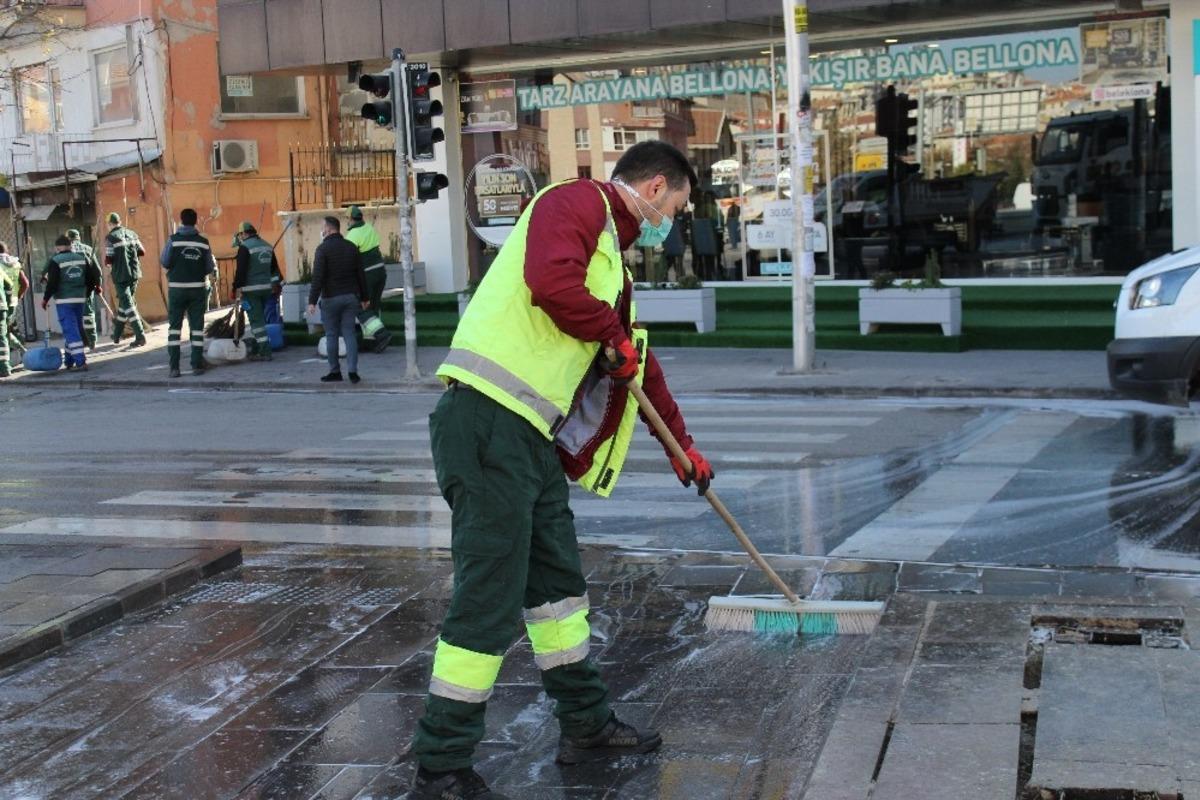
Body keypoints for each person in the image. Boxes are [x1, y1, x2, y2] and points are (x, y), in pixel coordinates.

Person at [409, 140, 715, 800]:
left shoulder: (611, 267)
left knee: (557, 591)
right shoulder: (572, 203)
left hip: (530, 442)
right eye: (676, 209)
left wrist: (682, 451)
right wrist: (607, 335)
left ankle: (585, 723)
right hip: (487, 423)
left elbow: (639, 367)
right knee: (488, 597)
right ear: (655, 188)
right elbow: (550, 285)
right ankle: (440, 763)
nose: (671, 224)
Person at [308, 216, 368, 384]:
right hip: (350, 297)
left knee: (332, 335)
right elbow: (360, 275)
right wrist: (364, 297)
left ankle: (335, 371)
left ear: (328, 229)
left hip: (330, 299)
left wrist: (312, 301)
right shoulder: (351, 247)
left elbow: (318, 277)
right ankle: (353, 372)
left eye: (322, 227)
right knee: (349, 333)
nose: (321, 231)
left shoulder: (322, 249)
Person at [160, 209, 217, 378]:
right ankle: (197, 364)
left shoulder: (173, 240)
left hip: (177, 289)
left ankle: (174, 368)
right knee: (197, 328)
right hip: (197, 290)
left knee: (174, 329)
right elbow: (209, 267)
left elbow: (164, 261)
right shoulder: (203, 242)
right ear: (195, 221)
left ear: (181, 221)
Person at [42, 235, 102, 371]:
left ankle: (81, 361)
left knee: (70, 330)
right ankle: (69, 361)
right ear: (70, 246)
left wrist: (45, 298)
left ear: (57, 248)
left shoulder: (55, 261)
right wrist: (87, 293)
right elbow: (92, 278)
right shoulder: (82, 258)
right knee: (74, 327)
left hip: (64, 300)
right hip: (80, 299)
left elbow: (52, 283)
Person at [343, 205, 392, 352]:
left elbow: (350, 259)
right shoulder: (369, 228)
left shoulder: (351, 236)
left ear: (350, 219)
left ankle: (381, 334)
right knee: (373, 306)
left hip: (367, 274)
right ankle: (371, 342)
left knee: (361, 306)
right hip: (380, 272)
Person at [232, 222, 282, 362]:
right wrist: (276, 285)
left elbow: (240, 272)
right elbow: (274, 270)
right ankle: (263, 346)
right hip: (266, 289)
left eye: (240, 235)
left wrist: (235, 287)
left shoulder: (244, 248)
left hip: (251, 290)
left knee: (256, 322)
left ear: (243, 234)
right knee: (262, 319)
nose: (240, 238)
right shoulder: (267, 245)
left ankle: (265, 352)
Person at [104, 213, 147, 348]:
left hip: (120, 276)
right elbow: (142, 252)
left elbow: (109, 258)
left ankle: (140, 335)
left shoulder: (110, 237)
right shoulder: (132, 233)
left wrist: (108, 264)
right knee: (124, 304)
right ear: (120, 221)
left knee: (128, 305)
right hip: (134, 274)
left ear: (109, 224)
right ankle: (117, 335)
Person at [66, 229, 102, 349]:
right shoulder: (87, 249)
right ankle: (92, 340)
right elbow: (97, 270)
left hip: (71, 288)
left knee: (74, 315)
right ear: (78, 237)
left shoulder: (65, 251)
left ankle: (79, 341)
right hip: (87, 286)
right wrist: (98, 285)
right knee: (88, 313)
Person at [0, 242, 29, 364]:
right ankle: (22, 350)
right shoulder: (15, 263)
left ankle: (15, 355)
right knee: (5, 330)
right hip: (12, 301)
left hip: (3, 301)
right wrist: (19, 296)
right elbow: (25, 283)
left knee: (4, 331)